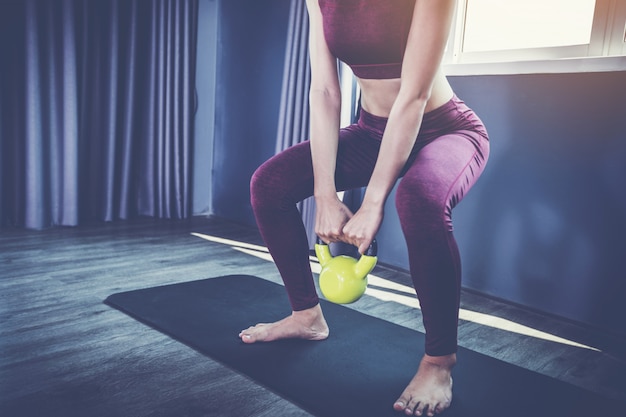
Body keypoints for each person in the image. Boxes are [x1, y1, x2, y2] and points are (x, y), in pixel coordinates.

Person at [239, 0, 489, 415]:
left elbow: (415, 94)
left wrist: (372, 203)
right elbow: (323, 90)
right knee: (270, 185)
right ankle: (306, 317)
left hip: (444, 129)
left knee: (418, 201)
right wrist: (324, 195)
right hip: (371, 132)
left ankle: (439, 361)